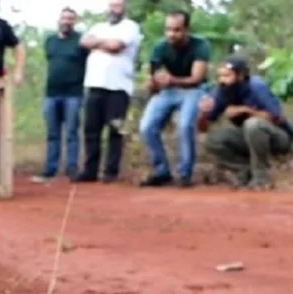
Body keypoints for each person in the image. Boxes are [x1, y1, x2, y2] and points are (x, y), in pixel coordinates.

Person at [198, 56, 293, 190]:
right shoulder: (221, 91)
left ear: (241, 75)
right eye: (220, 76)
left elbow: (278, 118)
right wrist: (203, 112)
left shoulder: (256, 86)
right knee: (213, 139)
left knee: (253, 124)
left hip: (278, 137)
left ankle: (261, 177)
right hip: (248, 136)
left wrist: (245, 110)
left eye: (227, 76)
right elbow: (203, 128)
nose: (222, 80)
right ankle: (244, 170)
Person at [138, 10, 210, 188]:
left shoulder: (200, 45)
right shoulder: (160, 47)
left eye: (177, 30)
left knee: (185, 125)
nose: (171, 34)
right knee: (147, 127)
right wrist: (152, 84)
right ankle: (161, 170)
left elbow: (197, 78)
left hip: (193, 89)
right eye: (168, 29)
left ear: (187, 29)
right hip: (168, 90)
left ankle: (185, 173)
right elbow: (155, 76)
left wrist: (171, 80)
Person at [75, 0, 142, 183]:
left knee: (115, 130)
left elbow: (116, 46)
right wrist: (103, 43)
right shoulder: (98, 26)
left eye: (118, 6)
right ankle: (90, 171)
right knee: (91, 130)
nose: (114, 9)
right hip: (95, 84)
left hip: (119, 87)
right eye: (112, 5)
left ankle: (111, 172)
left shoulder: (130, 26)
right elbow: (83, 41)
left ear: (124, 8)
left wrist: (96, 44)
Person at [33, 7, 88, 183]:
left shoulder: (81, 41)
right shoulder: (50, 41)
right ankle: (50, 169)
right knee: (52, 133)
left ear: (75, 21)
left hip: (73, 93)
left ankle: (72, 169)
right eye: (64, 18)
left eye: (70, 19)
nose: (67, 22)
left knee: (72, 132)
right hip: (51, 93)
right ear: (59, 20)